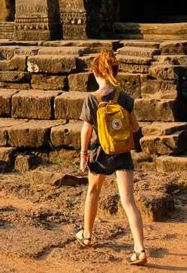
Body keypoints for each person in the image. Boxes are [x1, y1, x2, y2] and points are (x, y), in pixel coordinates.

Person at [75, 49, 148, 265]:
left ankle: (87, 235)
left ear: (96, 73)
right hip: (122, 153)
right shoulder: (124, 98)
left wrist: (83, 155)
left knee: (93, 192)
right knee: (128, 201)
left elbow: (85, 131)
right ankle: (140, 249)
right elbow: (135, 127)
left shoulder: (92, 99)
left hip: (99, 153)